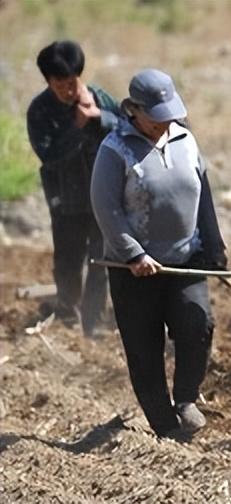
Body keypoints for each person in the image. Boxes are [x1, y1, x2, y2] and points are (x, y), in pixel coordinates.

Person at [90, 69, 227, 438]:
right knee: (144, 348)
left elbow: (203, 195)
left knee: (197, 324)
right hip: (134, 270)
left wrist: (213, 243)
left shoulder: (185, 139)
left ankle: (186, 398)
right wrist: (133, 254)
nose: (163, 123)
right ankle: (164, 427)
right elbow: (106, 208)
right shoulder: (114, 149)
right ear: (133, 110)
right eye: (155, 117)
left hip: (184, 260)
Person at [27, 40, 120, 337]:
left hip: (101, 197)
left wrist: (99, 117)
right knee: (68, 260)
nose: (68, 91)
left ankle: (94, 323)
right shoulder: (40, 110)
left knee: (101, 261)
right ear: (48, 82)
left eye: (72, 83)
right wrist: (77, 127)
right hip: (65, 201)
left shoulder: (99, 98)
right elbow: (49, 155)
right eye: (61, 85)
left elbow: (127, 129)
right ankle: (67, 317)